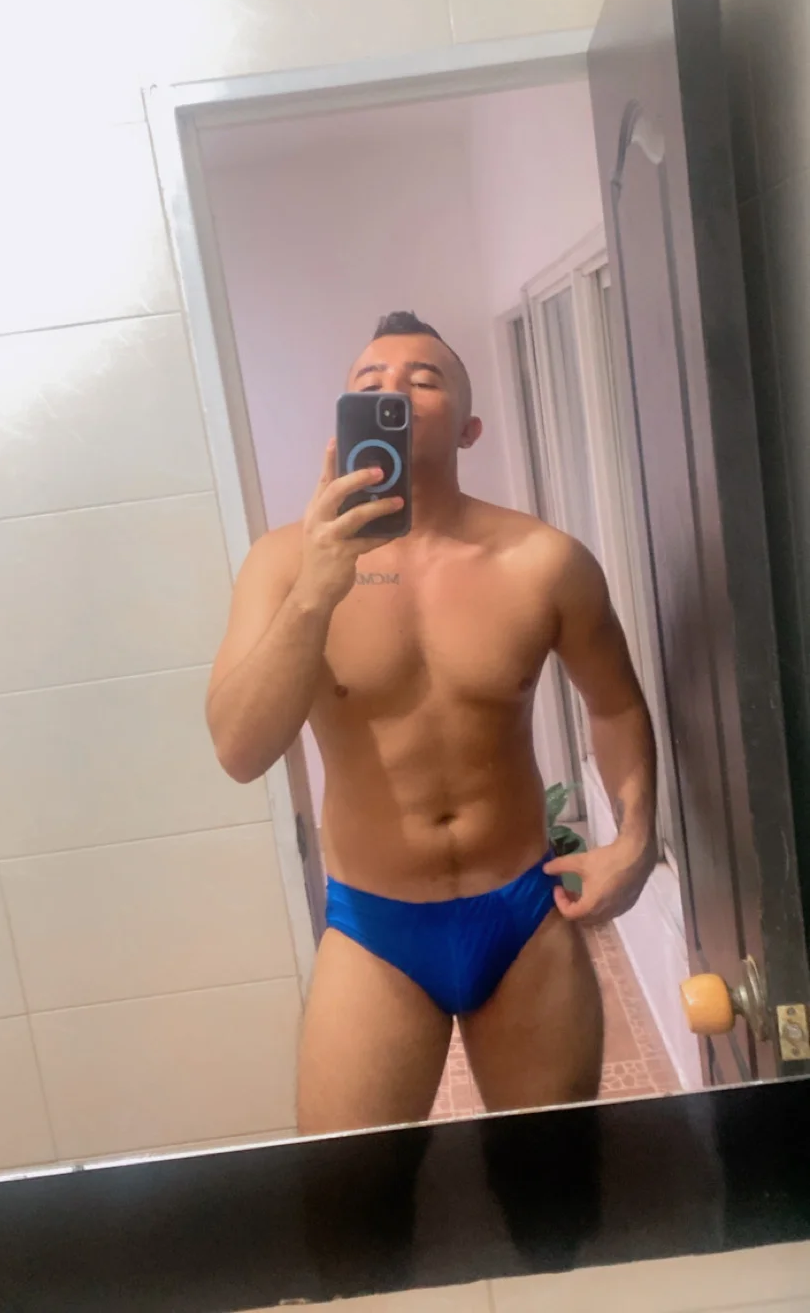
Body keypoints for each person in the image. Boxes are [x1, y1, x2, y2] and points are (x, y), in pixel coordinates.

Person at [207, 311, 657, 1135]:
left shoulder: (543, 561)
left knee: (551, 1180)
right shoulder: (280, 565)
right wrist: (315, 594)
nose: (395, 391)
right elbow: (240, 749)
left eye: (424, 379)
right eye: (370, 382)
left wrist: (635, 839)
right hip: (376, 926)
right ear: (344, 416)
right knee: (351, 1197)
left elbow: (616, 704)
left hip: (521, 915)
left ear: (471, 427)